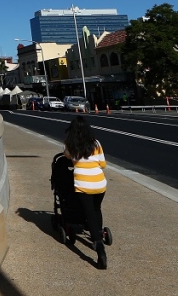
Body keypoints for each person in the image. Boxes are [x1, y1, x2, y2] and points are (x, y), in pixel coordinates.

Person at [64, 115, 108, 269]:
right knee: (97, 209)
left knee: (88, 213)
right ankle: (99, 232)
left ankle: (99, 247)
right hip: (100, 182)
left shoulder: (70, 144)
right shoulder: (96, 143)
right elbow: (103, 164)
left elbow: (67, 157)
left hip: (83, 184)